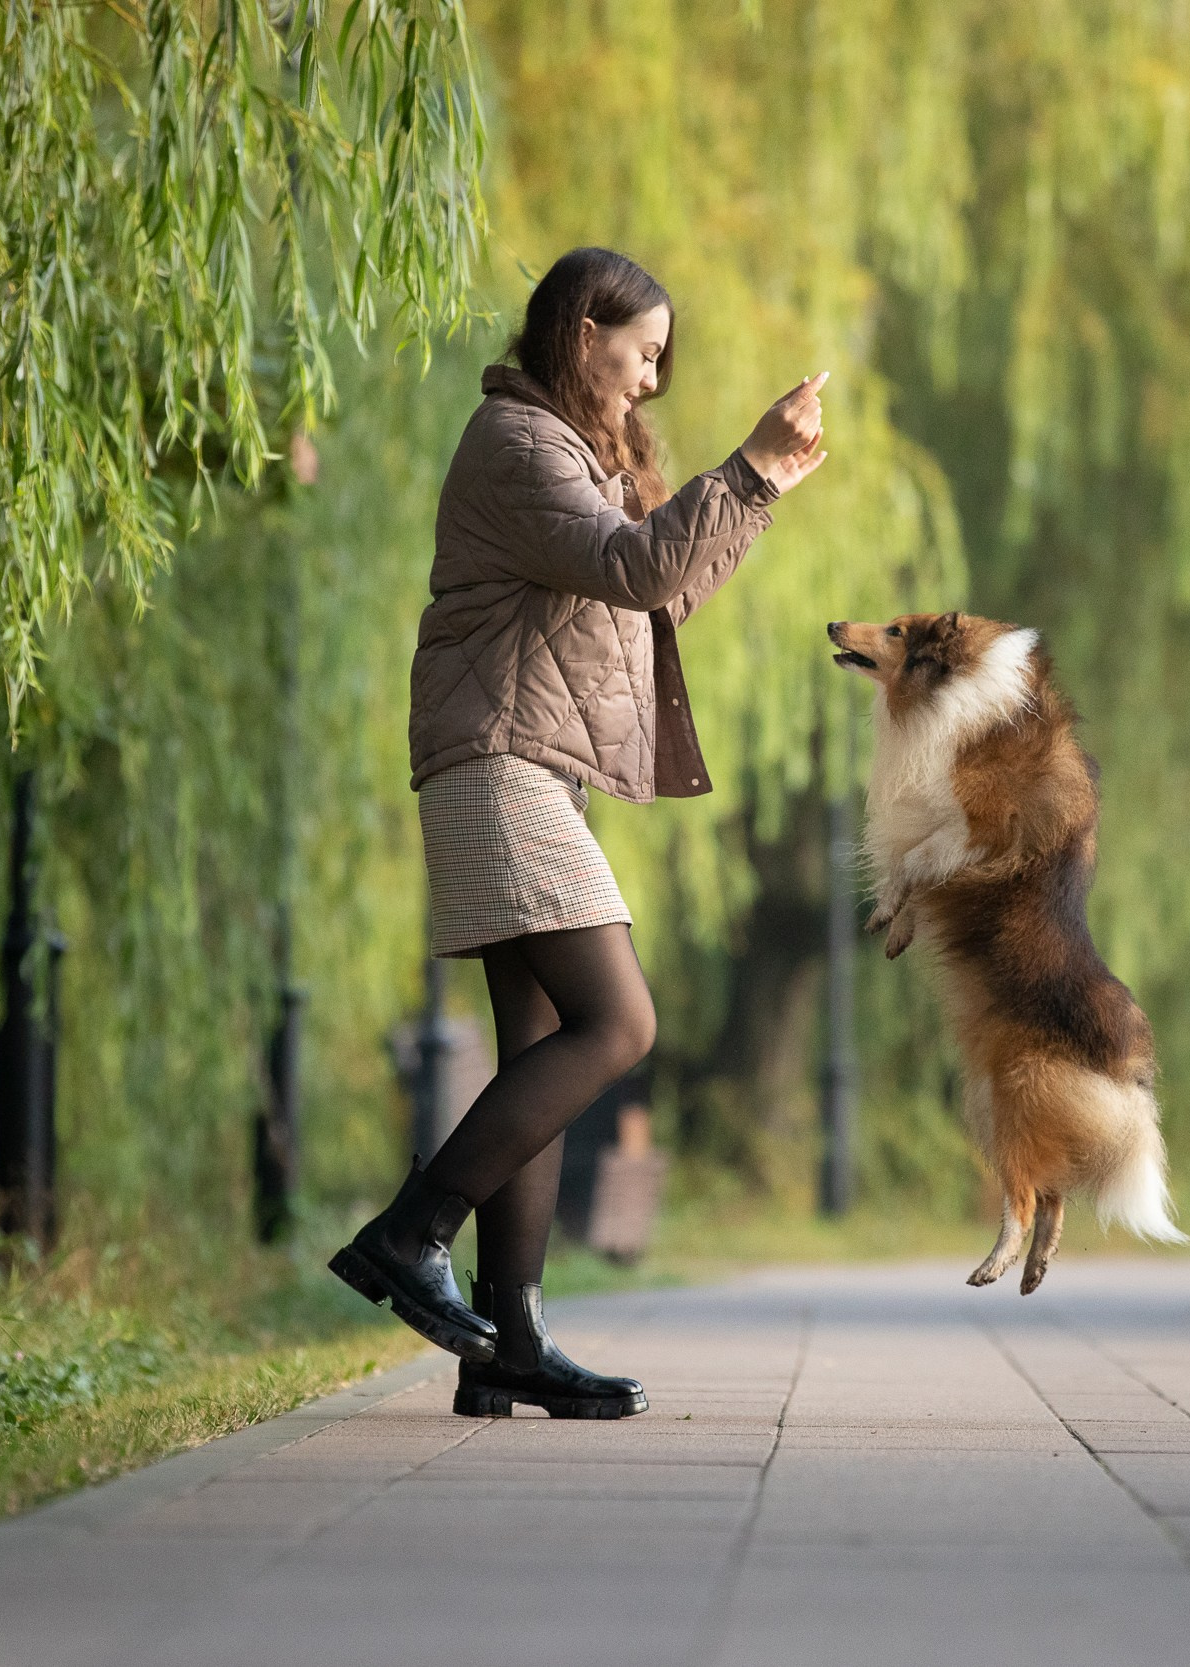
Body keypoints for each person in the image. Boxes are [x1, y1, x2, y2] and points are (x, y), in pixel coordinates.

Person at [329, 247, 828, 1419]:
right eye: (642, 352)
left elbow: (658, 597)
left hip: (533, 767)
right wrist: (745, 466)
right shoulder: (518, 443)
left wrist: (758, 494)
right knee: (619, 1021)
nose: (650, 379)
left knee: (544, 1045)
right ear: (582, 331)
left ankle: (509, 1340)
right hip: (497, 761)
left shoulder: (577, 455)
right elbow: (633, 566)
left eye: (660, 361)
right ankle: (411, 1232)